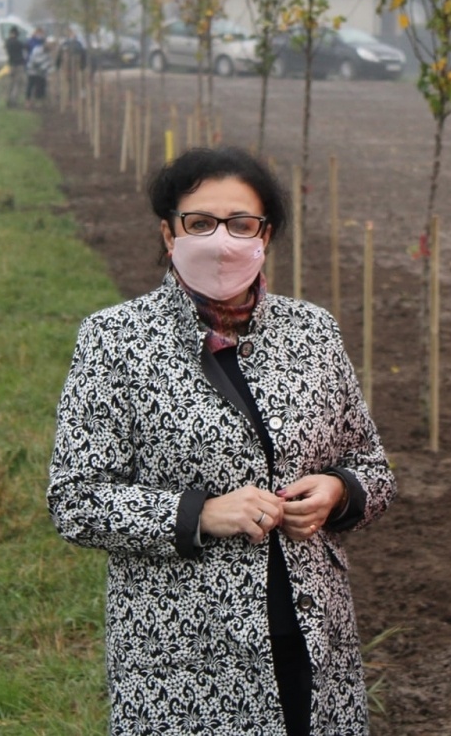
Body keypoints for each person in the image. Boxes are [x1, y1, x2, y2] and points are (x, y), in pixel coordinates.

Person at [49, 147, 395, 736]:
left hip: (314, 639)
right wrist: (201, 513)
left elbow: (371, 464)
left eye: (241, 224)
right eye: (200, 222)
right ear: (168, 231)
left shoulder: (311, 332)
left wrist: (339, 490)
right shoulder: (114, 340)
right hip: (184, 651)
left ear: (266, 236)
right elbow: (76, 500)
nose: (221, 240)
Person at [25, 27, 51, 106]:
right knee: (31, 84)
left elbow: (48, 61)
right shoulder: (36, 49)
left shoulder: (46, 50)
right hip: (33, 70)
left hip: (41, 71)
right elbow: (34, 60)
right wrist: (42, 67)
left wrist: (48, 70)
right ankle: (28, 100)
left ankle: (39, 100)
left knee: (41, 85)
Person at [3, 24, 27, 107]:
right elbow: (25, 46)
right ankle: (14, 101)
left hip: (10, 64)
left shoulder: (7, 42)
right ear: (16, 34)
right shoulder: (17, 42)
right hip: (18, 65)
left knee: (10, 83)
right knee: (17, 83)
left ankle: (8, 100)